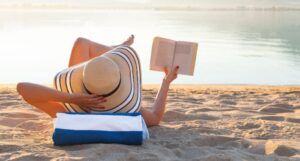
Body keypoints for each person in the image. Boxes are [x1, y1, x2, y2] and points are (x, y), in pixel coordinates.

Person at [16, 35, 179, 127]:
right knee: (86, 48)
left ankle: (115, 52)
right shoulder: (127, 109)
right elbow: (156, 117)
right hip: (104, 91)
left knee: (81, 43)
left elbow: (22, 88)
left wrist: (73, 98)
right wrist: (166, 81)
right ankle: (114, 53)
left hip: (80, 96)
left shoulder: (72, 113)